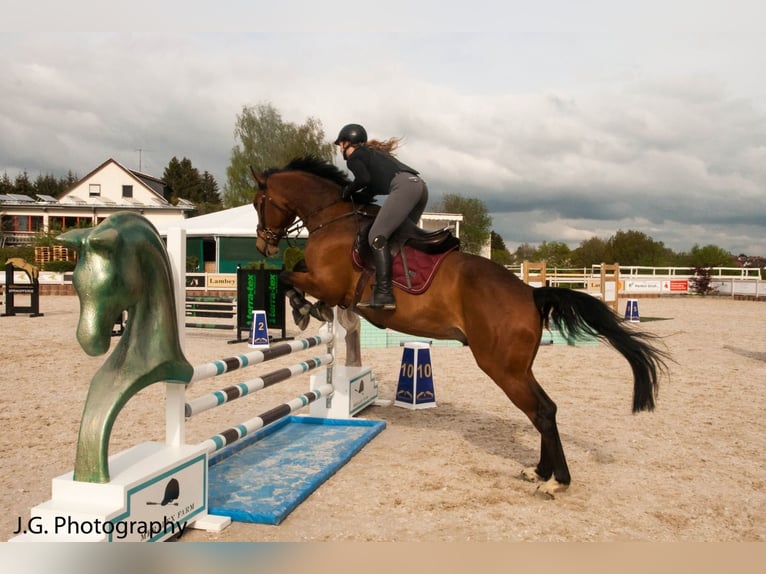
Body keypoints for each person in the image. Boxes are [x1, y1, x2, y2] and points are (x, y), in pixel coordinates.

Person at [334, 123, 429, 310]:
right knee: (399, 238)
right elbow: (375, 186)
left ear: (347, 143)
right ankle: (407, 281)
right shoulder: (373, 155)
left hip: (405, 187)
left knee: (376, 236)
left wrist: (347, 191)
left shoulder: (355, 157)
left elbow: (363, 180)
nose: (339, 148)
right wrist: (362, 196)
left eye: (340, 144)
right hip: (420, 187)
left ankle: (384, 293)